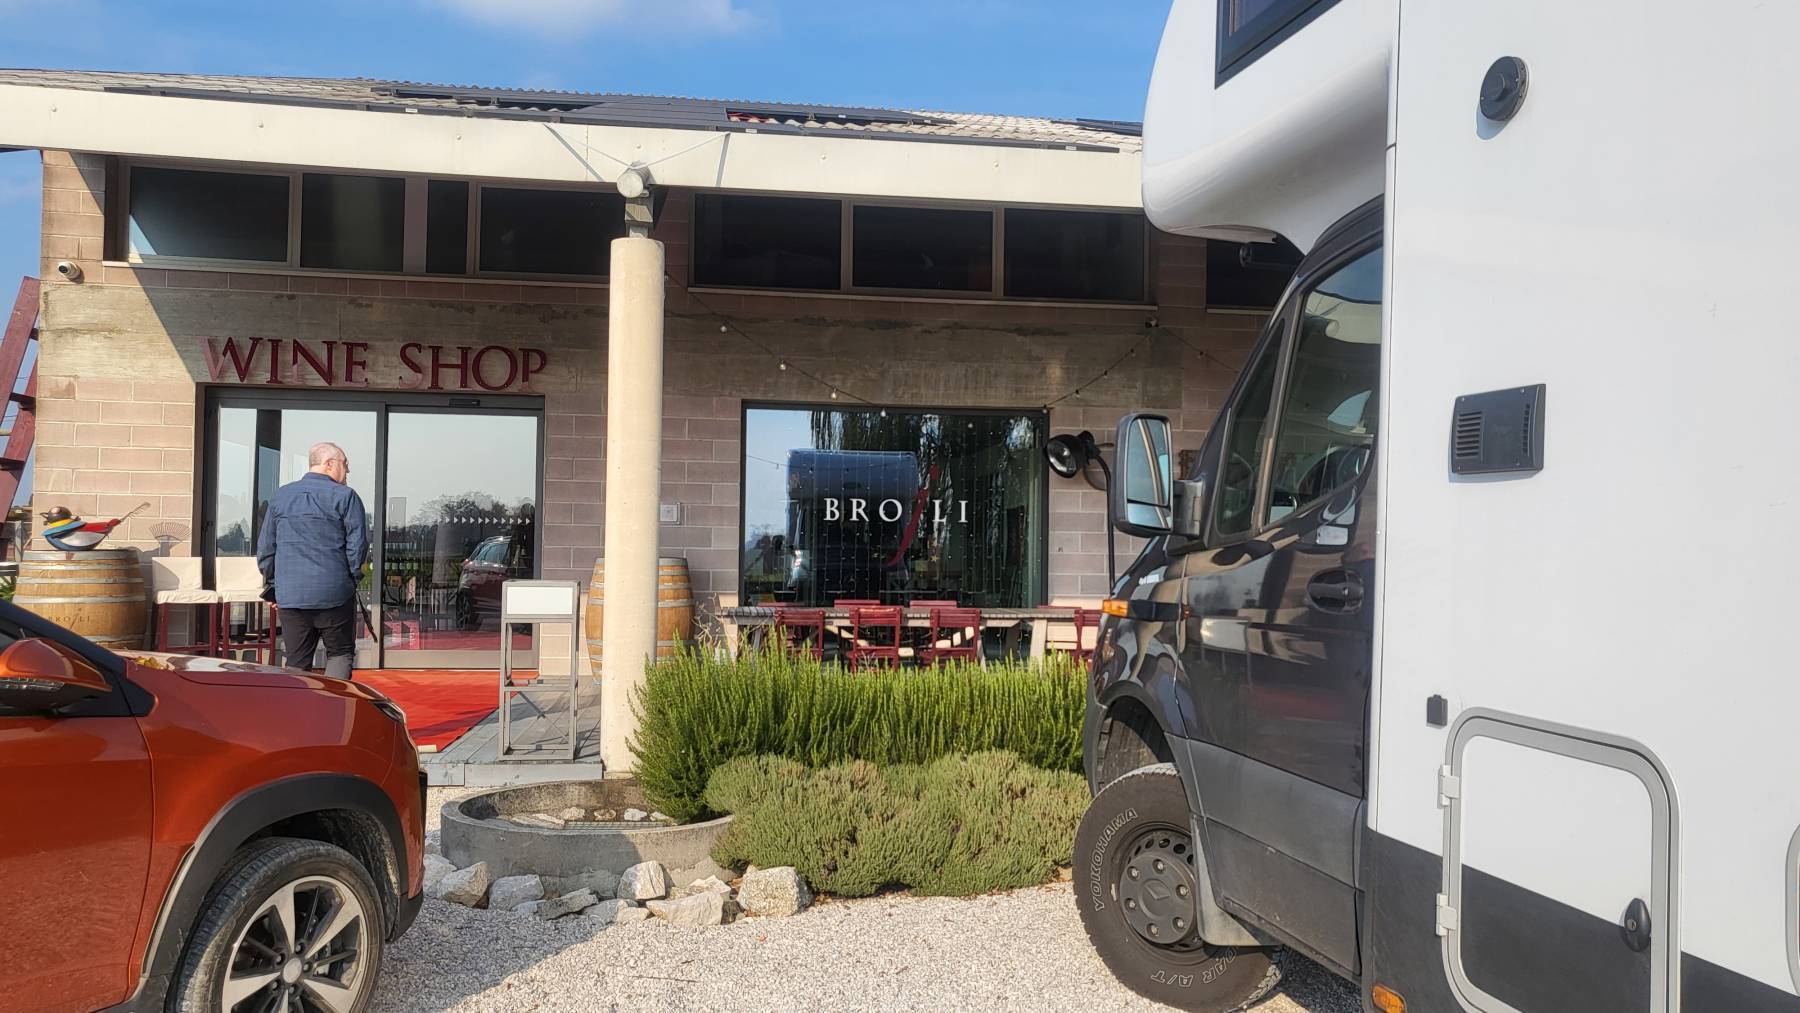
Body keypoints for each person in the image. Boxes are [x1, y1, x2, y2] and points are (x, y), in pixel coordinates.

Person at [257, 442, 369, 679]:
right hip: (334, 593)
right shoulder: (346, 496)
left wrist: (275, 588)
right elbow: (357, 546)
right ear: (329, 464)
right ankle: (335, 703)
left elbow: (266, 549)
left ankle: (296, 704)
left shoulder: (281, 496)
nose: (348, 470)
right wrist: (351, 579)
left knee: (296, 661)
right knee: (340, 654)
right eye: (345, 463)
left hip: (292, 597)